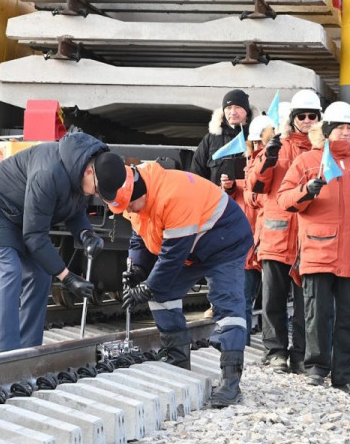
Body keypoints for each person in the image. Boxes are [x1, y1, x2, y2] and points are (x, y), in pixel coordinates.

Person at [98, 157, 253, 408]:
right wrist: (138, 268)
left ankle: (231, 380)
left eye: (132, 207)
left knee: (227, 305)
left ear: (139, 192)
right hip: (194, 245)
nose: (131, 211)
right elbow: (141, 235)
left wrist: (147, 287)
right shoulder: (136, 201)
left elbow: (171, 257)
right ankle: (178, 361)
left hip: (226, 241)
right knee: (164, 294)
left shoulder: (174, 196)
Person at [277, 101, 350, 396]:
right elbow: (284, 199)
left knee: (345, 318)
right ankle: (316, 368)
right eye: (340, 127)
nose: (345, 132)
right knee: (317, 314)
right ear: (327, 129)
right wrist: (307, 191)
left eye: (349, 128)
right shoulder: (307, 162)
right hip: (318, 251)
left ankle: (343, 376)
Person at [0, 132, 102, 353]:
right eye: (97, 189)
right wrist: (67, 278)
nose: (97, 194)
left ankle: (28, 350)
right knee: (10, 271)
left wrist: (86, 233)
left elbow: (75, 211)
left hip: (22, 215)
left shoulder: (78, 170)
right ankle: (5, 354)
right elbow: (35, 237)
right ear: (89, 172)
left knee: (40, 274)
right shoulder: (48, 173)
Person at [246, 90, 321, 374]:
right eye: (301, 115)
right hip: (276, 234)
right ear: (292, 118)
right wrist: (268, 157)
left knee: (306, 305)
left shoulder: (322, 152)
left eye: (311, 116)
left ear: (319, 119)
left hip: (308, 237)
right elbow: (256, 186)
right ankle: (276, 351)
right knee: (273, 299)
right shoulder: (278, 146)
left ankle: (301, 355)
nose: (306, 120)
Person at [221, 114, 274, 339]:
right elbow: (242, 201)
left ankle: (247, 338)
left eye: (264, 142)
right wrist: (230, 189)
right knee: (242, 295)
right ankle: (239, 340)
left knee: (267, 297)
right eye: (257, 142)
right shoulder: (246, 166)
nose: (260, 147)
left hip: (265, 240)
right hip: (248, 243)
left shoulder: (269, 167)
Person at [191, 89, 254, 185]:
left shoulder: (257, 138)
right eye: (228, 108)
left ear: (247, 110)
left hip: (248, 199)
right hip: (217, 198)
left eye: (238, 107)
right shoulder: (211, 139)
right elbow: (197, 175)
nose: (233, 112)